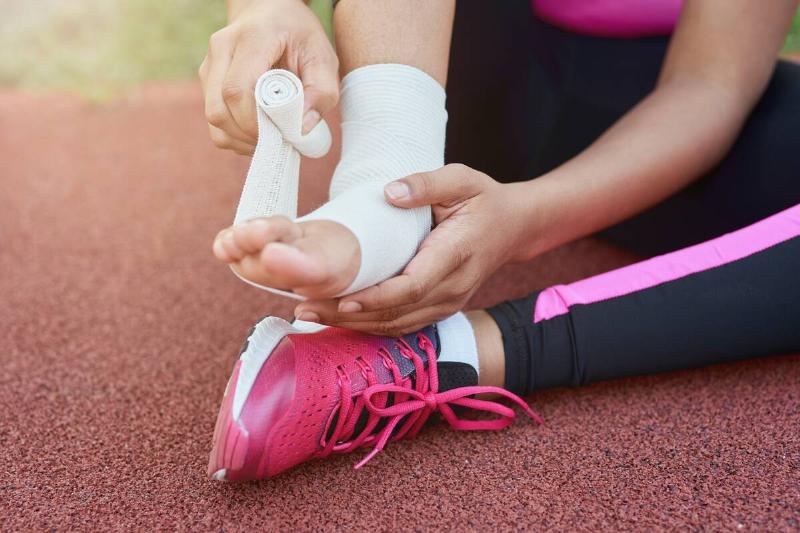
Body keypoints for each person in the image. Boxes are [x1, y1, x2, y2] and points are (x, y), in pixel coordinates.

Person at [202, 0, 800, 480]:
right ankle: (381, 192)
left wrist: (526, 220)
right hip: (465, 61)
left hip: (655, 104)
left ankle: (447, 354)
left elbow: (708, 86)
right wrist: (263, 6)